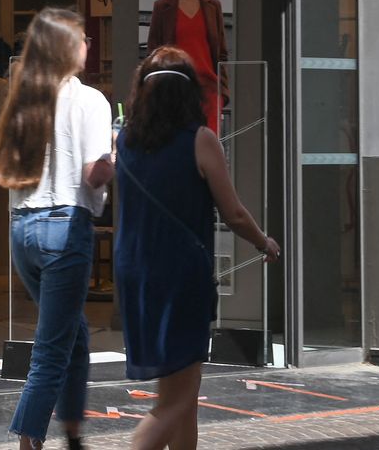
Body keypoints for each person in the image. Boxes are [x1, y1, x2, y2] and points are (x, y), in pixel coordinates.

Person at [114, 46, 280, 450]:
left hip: (135, 271)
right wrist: (265, 242)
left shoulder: (127, 142)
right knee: (179, 398)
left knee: (179, 390)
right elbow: (234, 213)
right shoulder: (200, 141)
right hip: (179, 276)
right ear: (190, 93)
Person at [0, 8, 113, 450]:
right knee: (52, 348)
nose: (87, 45)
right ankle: (28, 439)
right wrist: (119, 155)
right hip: (65, 227)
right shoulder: (89, 100)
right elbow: (94, 174)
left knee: (73, 334)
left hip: (24, 228)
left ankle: (74, 433)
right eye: (81, 38)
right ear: (65, 48)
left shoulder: (23, 100)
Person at [146, 0, 228, 133]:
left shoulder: (212, 6)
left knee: (209, 150)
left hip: (208, 90)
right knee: (178, 147)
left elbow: (222, 52)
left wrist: (222, 92)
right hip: (175, 89)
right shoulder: (163, 7)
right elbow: (153, 53)